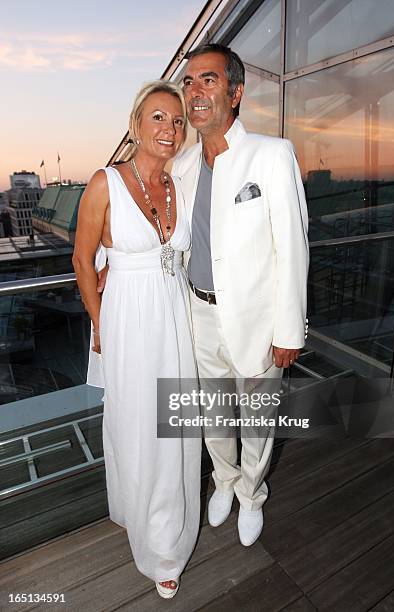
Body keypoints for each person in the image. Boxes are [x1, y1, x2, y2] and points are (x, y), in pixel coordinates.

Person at [171, 44, 309, 547]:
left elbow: (294, 248)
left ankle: (252, 493)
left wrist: (289, 329)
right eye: (189, 83)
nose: (194, 92)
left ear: (236, 92)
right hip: (198, 314)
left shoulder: (272, 155)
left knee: (257, 418)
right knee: (212, 413)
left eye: (207, 80)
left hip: (256, 319)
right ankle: (224, 480)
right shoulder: (182, 167)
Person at [72, 81, 201, 599]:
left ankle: (167, 530)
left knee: (174, 430)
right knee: (136, 429)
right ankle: (155, 547)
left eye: (176, 121)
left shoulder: (178, 185)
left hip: (175, 318)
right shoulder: (105, 183)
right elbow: (83, 261)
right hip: (127, 323)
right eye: (157, 119)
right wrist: (101, 323)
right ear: (134, 125)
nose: (169, 130)